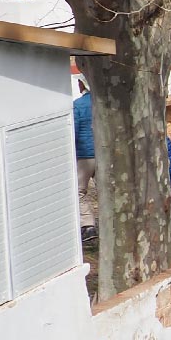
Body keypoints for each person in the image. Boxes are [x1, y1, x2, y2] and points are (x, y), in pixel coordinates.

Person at [73, 75, 97, 245]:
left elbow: (72, 131)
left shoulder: (77, 106)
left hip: (83, 156)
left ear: (82, 84)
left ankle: (88, 226)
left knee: (79, 192)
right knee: (106, 191)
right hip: (103, 155)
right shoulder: (103, 103)